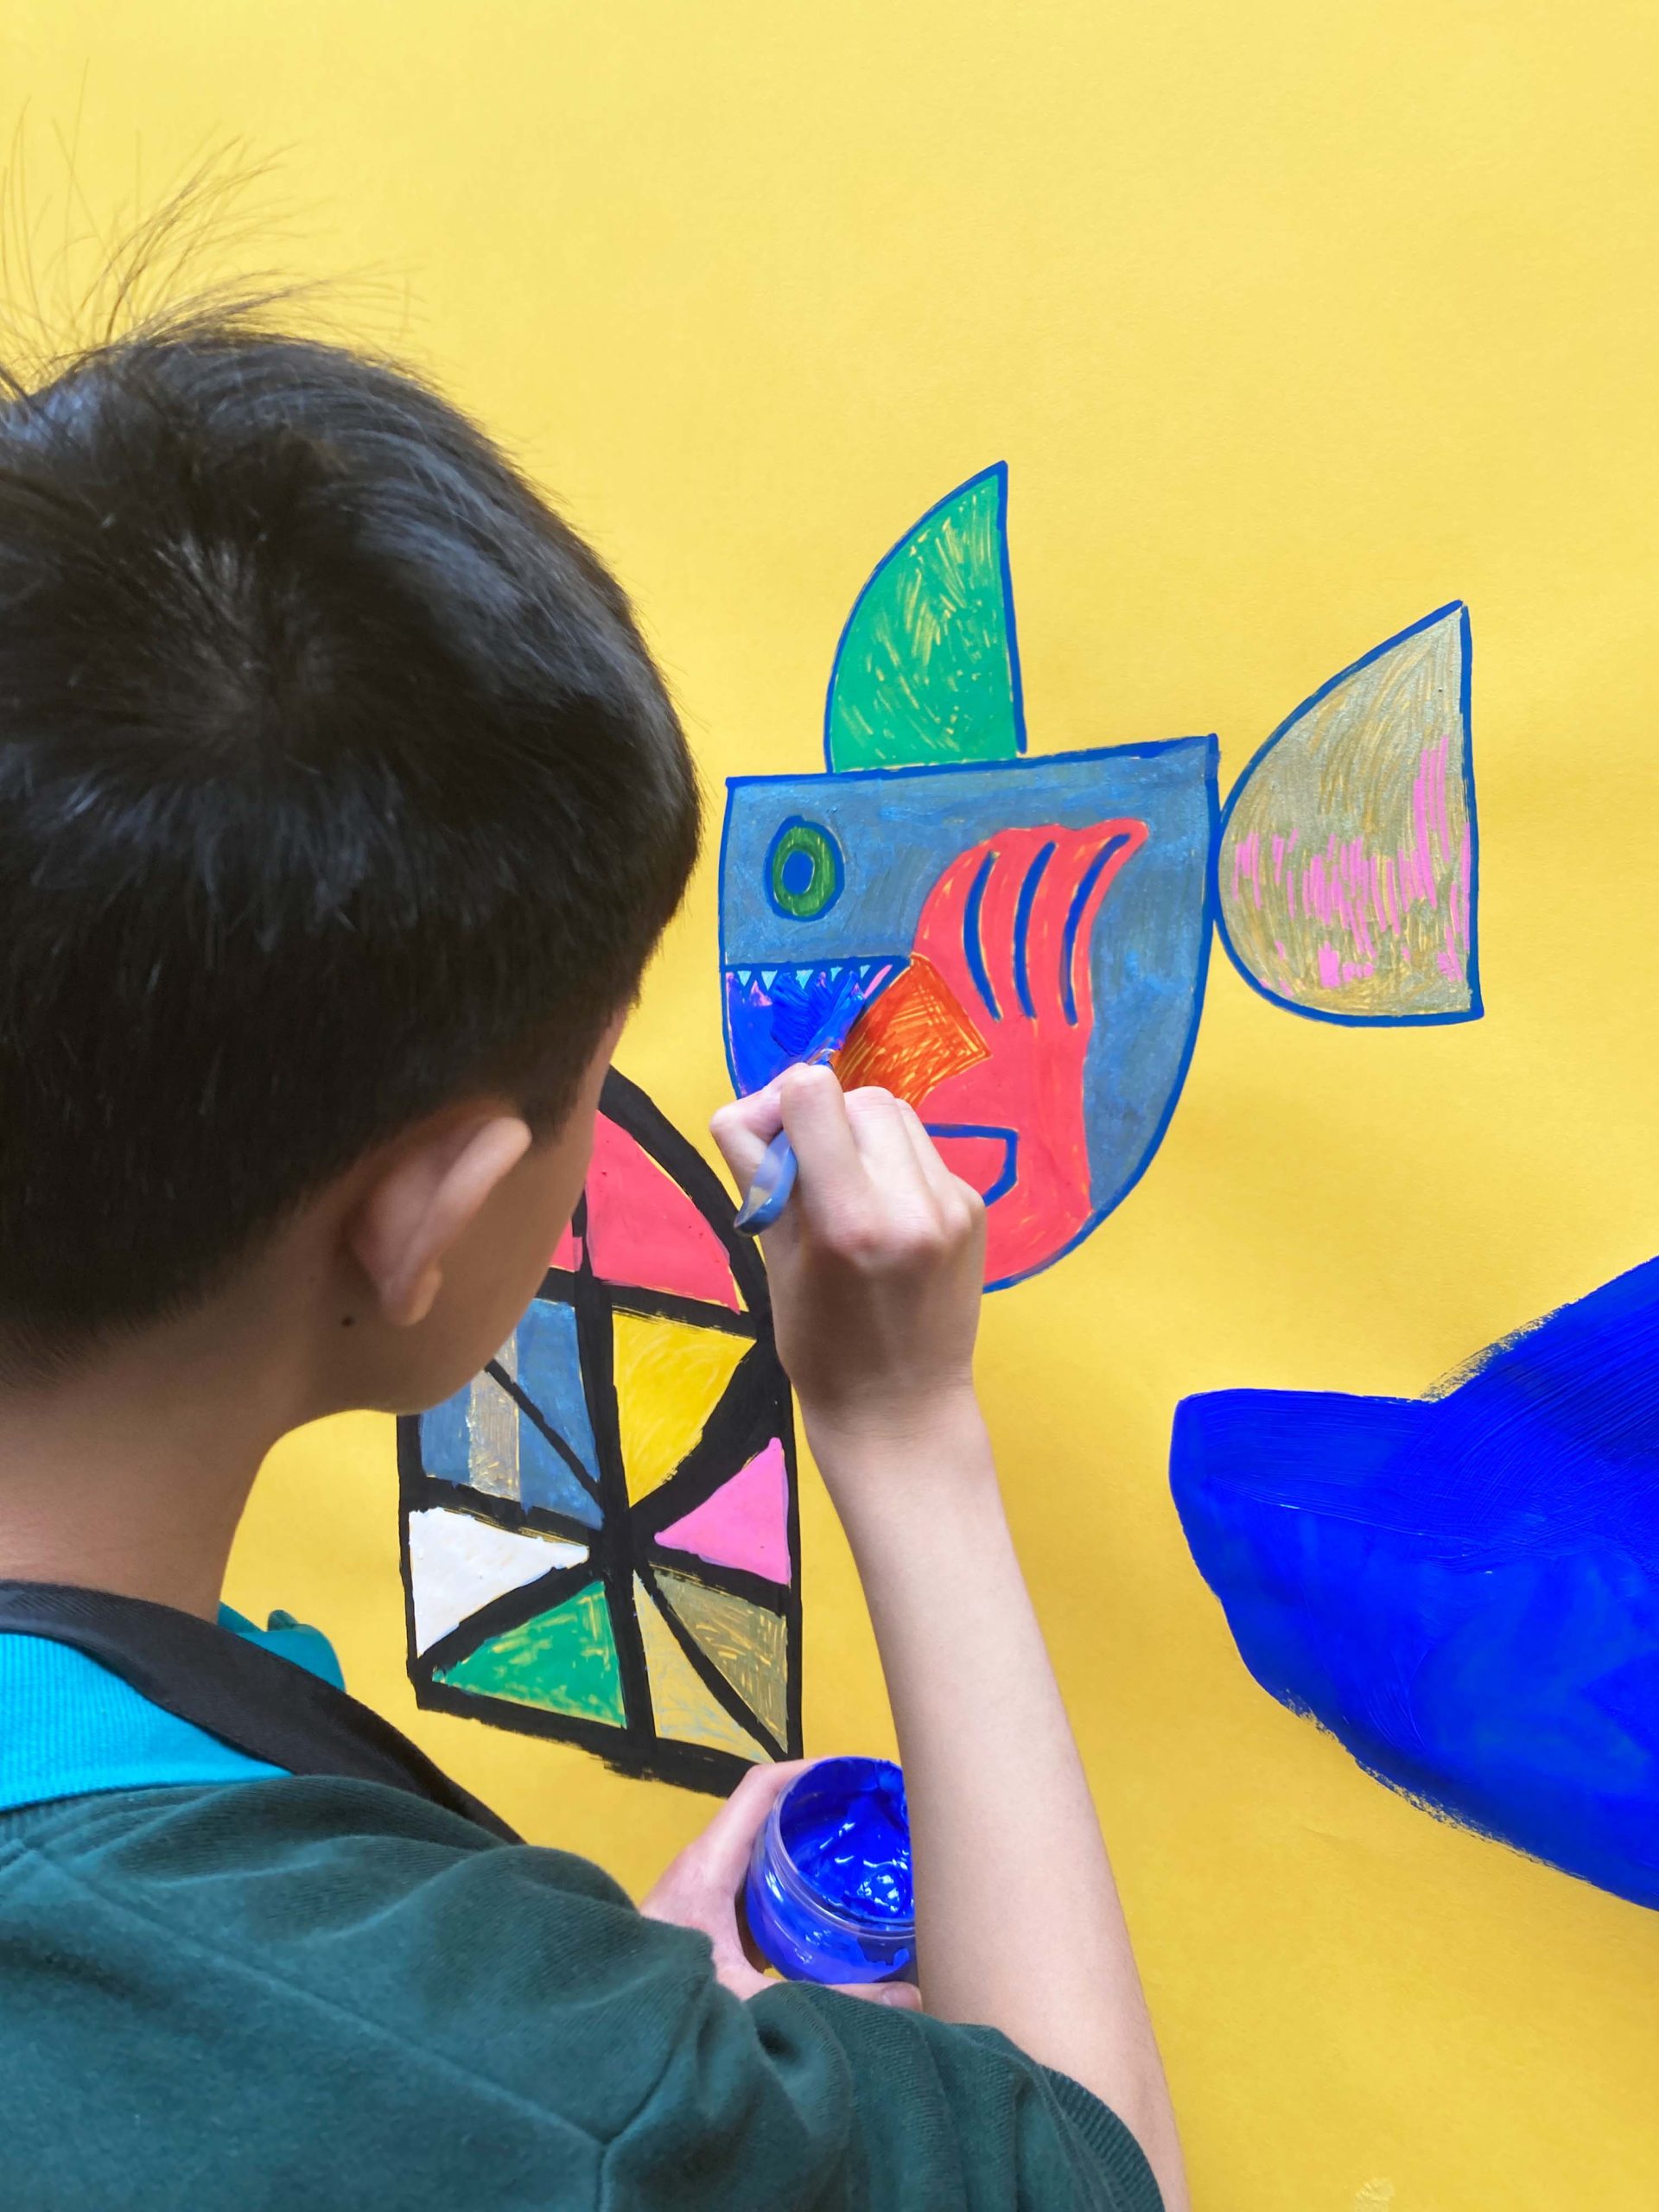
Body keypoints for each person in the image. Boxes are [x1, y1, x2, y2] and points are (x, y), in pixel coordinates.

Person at [0, 314, 1185, 2211]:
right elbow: (1089, 2176)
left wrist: (480, 2064)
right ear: (426, 1216)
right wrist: (902, 1424)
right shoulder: (513, 2087)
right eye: (585, 1068)